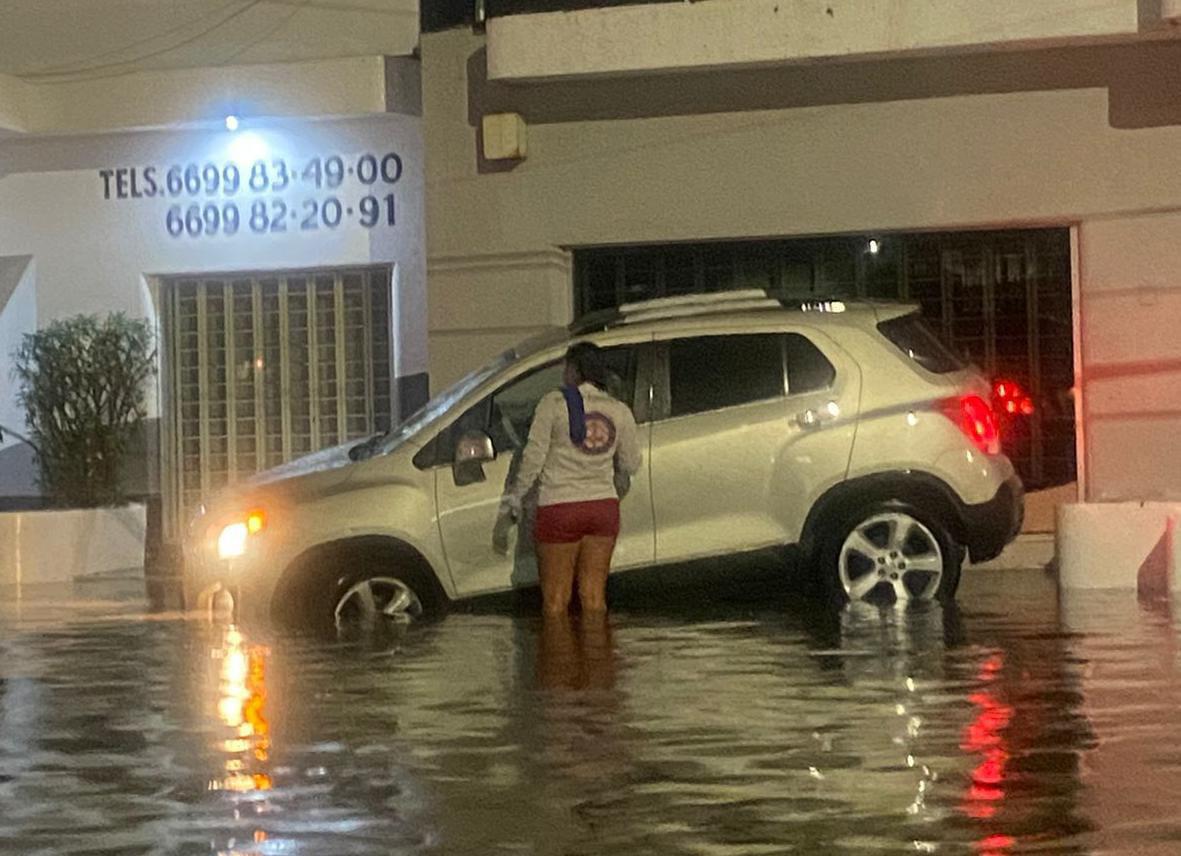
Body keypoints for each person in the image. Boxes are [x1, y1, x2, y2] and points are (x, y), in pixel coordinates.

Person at [499, 343, 642, 615]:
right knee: (594, 600)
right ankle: (597, 656)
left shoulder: (553, 404)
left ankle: (558, 658)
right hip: (603, 508)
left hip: (559, 507)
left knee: (555, 602)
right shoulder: (618, 409)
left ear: (574, 369)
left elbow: (533, 457)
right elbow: (631, 464)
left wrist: (515, 498)